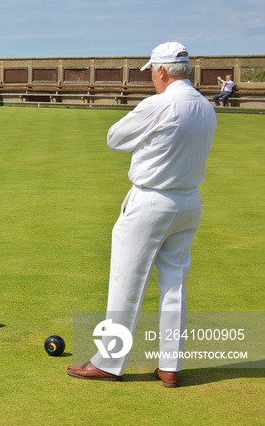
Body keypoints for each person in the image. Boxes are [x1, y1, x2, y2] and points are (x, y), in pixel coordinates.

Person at [66, 42, 217, 388]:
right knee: (174, 285)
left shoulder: (159, 104)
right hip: (189, 201)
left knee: (126, 281)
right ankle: (170, 366)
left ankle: (109, 361)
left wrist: (148, 135)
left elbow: (115, 138)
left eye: (151, 70)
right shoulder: (206, 107)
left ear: (162, 70)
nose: (151, 76)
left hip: (151, 201)